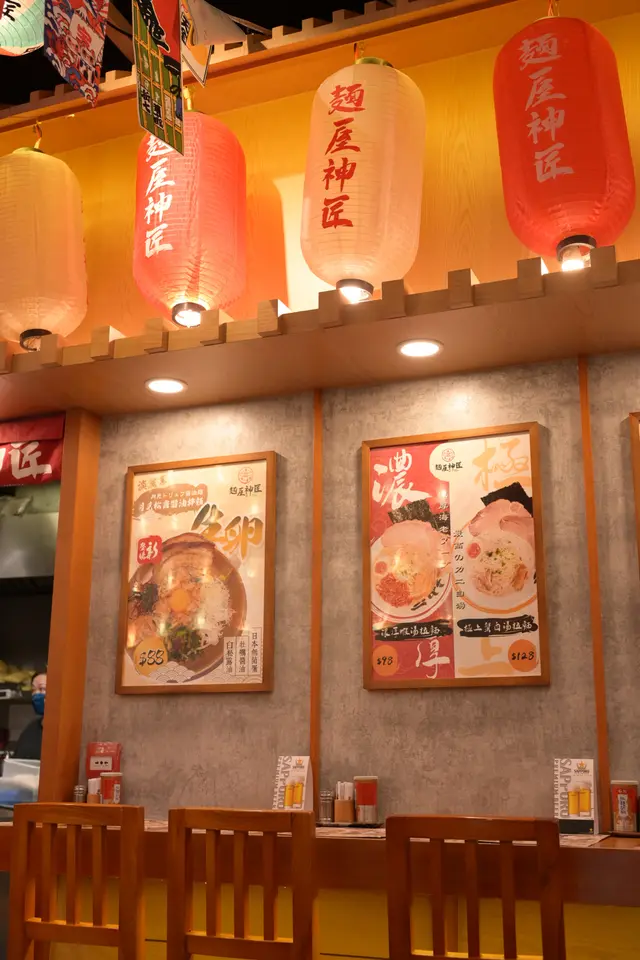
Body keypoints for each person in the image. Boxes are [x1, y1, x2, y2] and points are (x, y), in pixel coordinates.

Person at [13, 672, 46, 760]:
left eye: (42, 689)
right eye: (33, 690)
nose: (36, 694)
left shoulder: (64, 731)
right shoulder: (30, 729)